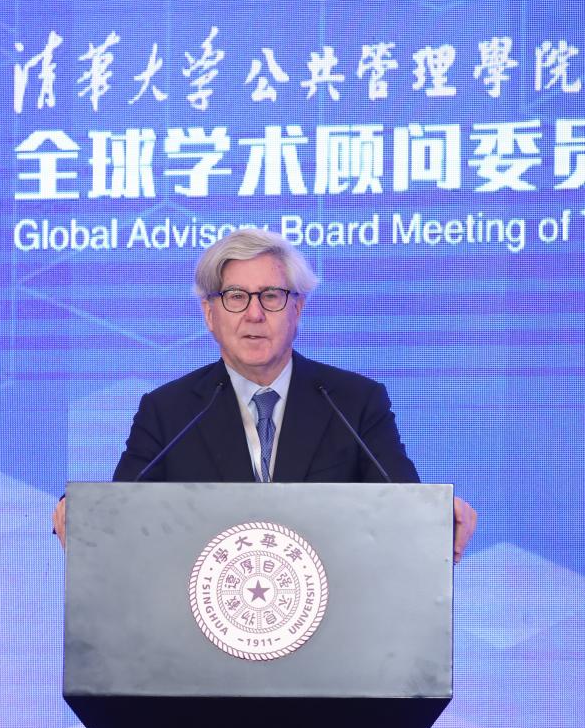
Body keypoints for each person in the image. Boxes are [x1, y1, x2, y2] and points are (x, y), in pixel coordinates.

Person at [53, 229, 477, 561]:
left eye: (271, 296)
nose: (254, 314)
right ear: (209, 314)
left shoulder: (354, 402)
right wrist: (82, 514)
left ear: (298, 308)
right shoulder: (169, 412)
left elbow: (400, 503)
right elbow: (123, 514)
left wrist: (437, 516)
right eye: (236, 297)